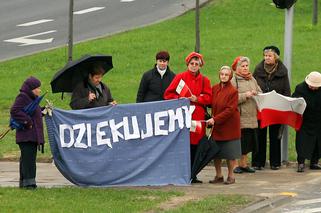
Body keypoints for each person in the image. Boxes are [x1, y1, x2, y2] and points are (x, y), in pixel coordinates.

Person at [164, 52, 211, 183]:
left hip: (197, 118)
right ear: (188, 64)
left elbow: (208, 97)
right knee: (184, 144)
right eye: (192, 64)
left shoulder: (204, 80)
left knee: (196, 145)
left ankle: (193, 173)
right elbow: (168, 94)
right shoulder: (180, 77)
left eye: (197, 64)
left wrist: (198, 98)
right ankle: (182, 173)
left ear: (200, 66)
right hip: (183, 116)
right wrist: (180, 99)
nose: (194, 66)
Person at [252, 45, 291, 170]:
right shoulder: (258, 70)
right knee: (259, 135)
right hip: (261, 107)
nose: (267, 58)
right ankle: (258, 163)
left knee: (275, 136)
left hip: (276, 107)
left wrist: (285, 103)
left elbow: (286, 89)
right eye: (265, 55)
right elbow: (252, 85)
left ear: (276, 57)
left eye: (269, 55)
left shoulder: (282, 72)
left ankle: (275, 163)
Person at [207, 66, 241, 185]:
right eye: (222, 74)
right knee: (216, 152)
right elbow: (210, 102)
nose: (224, 76)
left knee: (230, 153)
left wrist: (215, 119)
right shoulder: (215, 88)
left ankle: (231, 176)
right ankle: (218, 175)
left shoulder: (233, 91)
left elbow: (230, 110)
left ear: (230, 76)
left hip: (229, 126)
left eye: (226, 74)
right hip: (217, 126)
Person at [10, 76, 45, 189]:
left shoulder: (32, 99)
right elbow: (14, 110)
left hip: (31, 136)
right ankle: (30, 185)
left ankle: (24, 184)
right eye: (37, 88)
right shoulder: (23, 97)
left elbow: (34, 112)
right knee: (29, 161)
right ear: (31, 89)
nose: (39, 90)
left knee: (26, 160)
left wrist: (44, 110)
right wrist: (27, 122)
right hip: (26, 135)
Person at [231, 56, 262, 174]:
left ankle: (244, 164)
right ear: (237, 68)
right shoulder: (233, 80)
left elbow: (260, 92)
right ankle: (234, 166)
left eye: (246, 66)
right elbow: (231, 98)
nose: (245, 68)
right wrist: (246, 95)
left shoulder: (252, 79)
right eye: (242, 66)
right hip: (240, 117)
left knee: (248, 143)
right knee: (237, 143)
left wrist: (256, 93)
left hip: (252, 116)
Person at [292, 71, 321, 172]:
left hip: (318, 120)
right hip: (304, 120)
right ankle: (301, 163)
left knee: (318, 142)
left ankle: (314, 162)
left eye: (315, 86)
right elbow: (294, 100)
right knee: (302, 142)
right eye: (311, 85)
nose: (312, 88)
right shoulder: (300, 88)